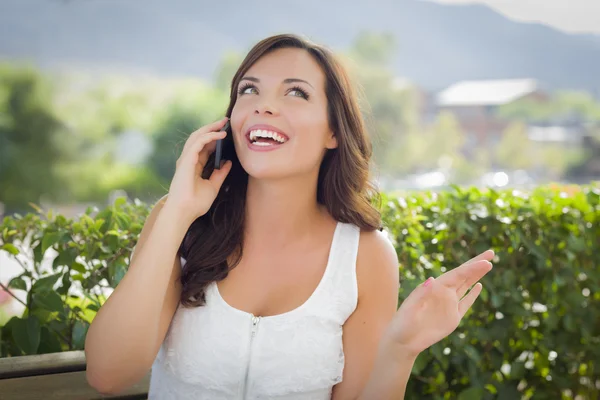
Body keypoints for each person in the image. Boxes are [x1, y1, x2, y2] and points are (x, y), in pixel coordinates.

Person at [84, 33, 494, 399]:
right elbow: (108, 375)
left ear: (334, 131)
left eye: (295, 93)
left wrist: (401, 349)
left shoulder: (365, 256)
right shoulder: (179, 222)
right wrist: (177, 212)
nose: (264, 106)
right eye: (248, 90)